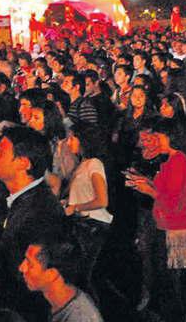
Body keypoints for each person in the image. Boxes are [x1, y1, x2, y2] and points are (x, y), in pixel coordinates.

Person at [0, 126, 65, 322]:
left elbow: (35, 283)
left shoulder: (40, 211)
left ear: (23, 163)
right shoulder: (17, 200)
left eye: (0, 152)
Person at [127, 119, 186, 322]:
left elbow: (174, 202)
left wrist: (149, 190)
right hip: (162, 225)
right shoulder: (169, 160)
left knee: (170, 283)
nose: (155, 140)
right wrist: (144, 181)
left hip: (173, 229)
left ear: (171, 137)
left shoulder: (178, 161)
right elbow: (162, 189)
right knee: (163, 279)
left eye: (159, 136)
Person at [62, 123, 113, 302]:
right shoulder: (82, 164)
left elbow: (102, 200)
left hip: (92, 227)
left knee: (85, 277)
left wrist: (75, 207)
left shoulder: (94, 164)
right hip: (83, 225)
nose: (69, 143)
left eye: (72, 138)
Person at [19, 241, 103, 322]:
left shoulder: (81, 317)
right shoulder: (58, 302)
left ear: (53, 273)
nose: (21, 268)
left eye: (29, 263)